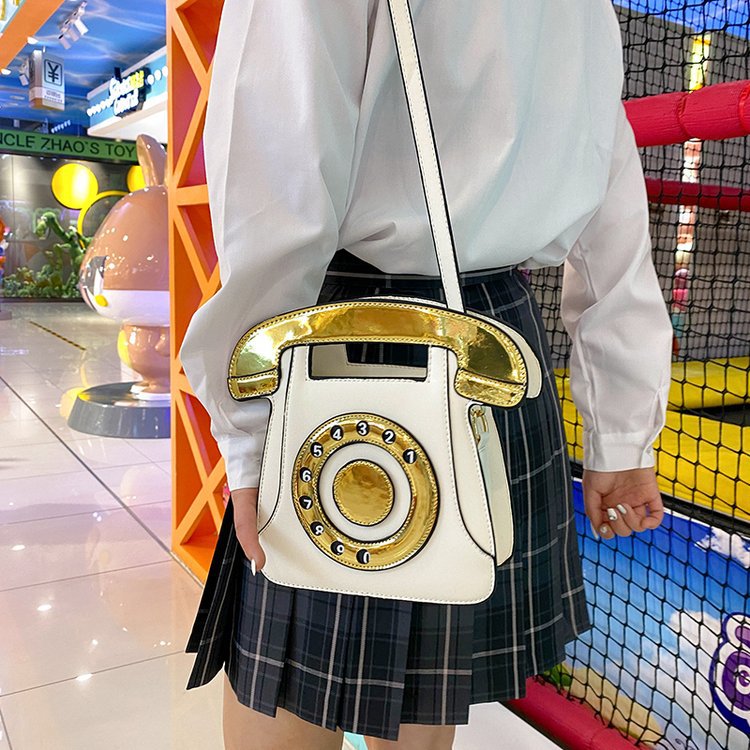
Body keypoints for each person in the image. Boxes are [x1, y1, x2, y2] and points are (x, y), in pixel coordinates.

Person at [179, 0, 673, 748]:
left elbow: (276, 192)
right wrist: (624, 435)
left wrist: (248, 430)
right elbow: (615, 230)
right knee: (427, 677)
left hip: (335, 337)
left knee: (289, 676)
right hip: (492, 337)